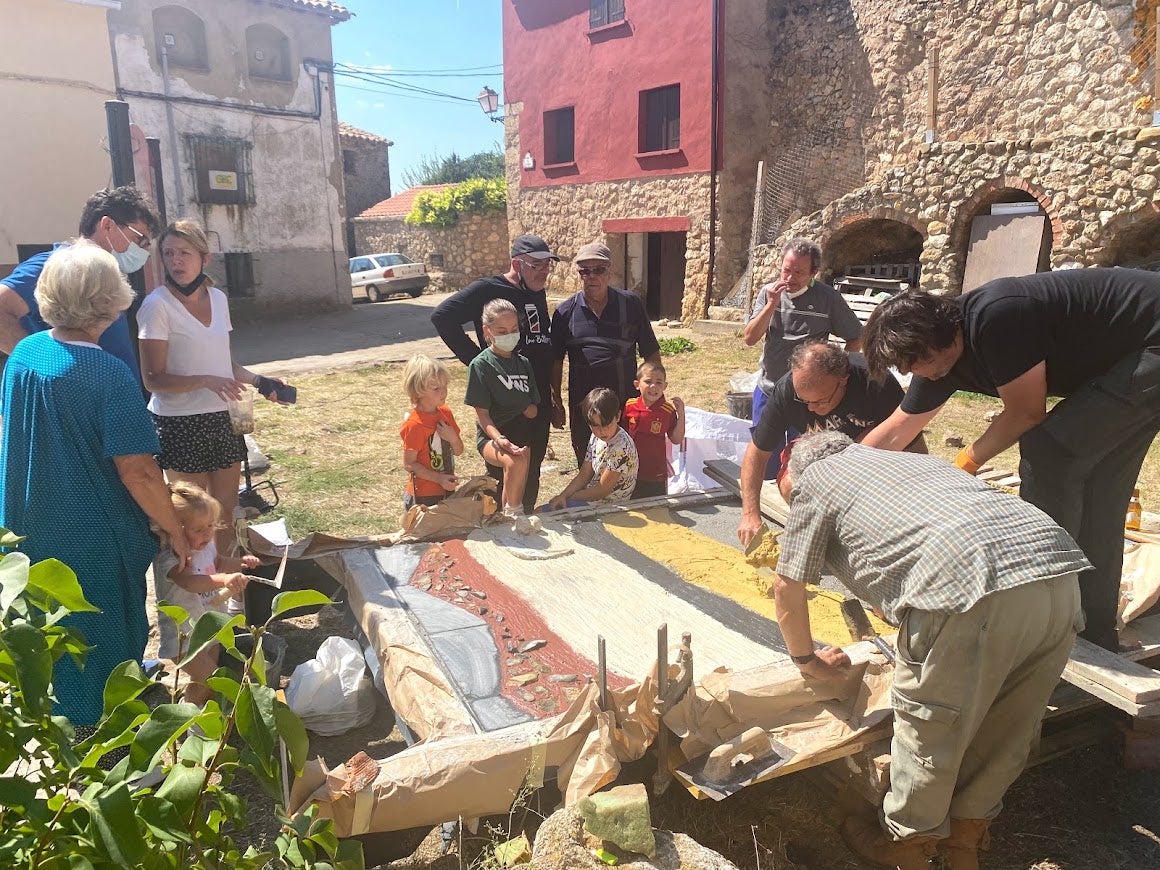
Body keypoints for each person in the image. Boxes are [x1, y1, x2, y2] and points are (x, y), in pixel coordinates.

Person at [768, 431, 1088, 870]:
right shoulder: (911, 463)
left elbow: (786, 586)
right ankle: (965, 836)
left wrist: (808, 660)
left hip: (972, 589)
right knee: (1010, 723)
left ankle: (908, 845)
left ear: (793, 474)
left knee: (932, 728)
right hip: (1058, 575)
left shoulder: (816, 479)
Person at [858, 271, 1160, 652]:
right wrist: (849, 472)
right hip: (1133, 358)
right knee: (1100, 494)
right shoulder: (937, 354)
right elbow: (899, 427)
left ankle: (1039, 608)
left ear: (950, 333)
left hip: (1151, 347)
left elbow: (1026, 414)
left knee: (1049, 451)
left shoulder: (997, 318)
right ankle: (1091, 633)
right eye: (907, 365)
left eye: (921, 361)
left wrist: (962, 466)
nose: (918, 371)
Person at [0, 242, 188, 727]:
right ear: (110, 299)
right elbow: (139, 471)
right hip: (91, 538)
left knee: (52, 641)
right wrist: (177, 529)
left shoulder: (24, 354)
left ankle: (62, 738)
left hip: (30, 528)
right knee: (103, 642)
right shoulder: (107, 372)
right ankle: (112, 758)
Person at [137, 220, 290, 555]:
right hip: (179, 423)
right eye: (168, 253)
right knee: (193, 517)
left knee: (226, 509)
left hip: (223, 418)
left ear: (204, 258)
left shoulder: (219, 299)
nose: (175, 261)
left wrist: (262, 383)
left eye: (184, 253)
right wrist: (207, 381)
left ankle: (230, 587)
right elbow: (153, 380)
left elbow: (224, 363)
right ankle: (198, 591)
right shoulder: (156, 305)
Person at [736, 341, 924, 544]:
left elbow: (912, 443)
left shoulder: (876, 382)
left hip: (869, 457)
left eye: (819, 401)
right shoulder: (786, 390)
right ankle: (827, 530)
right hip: (819, 451)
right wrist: (750, 515)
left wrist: (919, 498)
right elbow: (757, 452)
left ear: (843, 380)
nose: (810, 409)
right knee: (791, 485)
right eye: (804, 401)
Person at [431, 234, 559, 512]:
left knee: (532, 465)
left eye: (547, 265)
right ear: (517, 263)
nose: (543, 272)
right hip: (502, 405)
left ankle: (522, 519)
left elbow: (539, 340)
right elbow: (442, 317)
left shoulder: (535, 289)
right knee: (504, 469)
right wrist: (480, 363)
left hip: (535, 397)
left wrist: (552, 396)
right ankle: (501, 524)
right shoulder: (488, 288)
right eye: (536, 265)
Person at [0, 186, 160, 375]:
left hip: (108, 396)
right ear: (107, 225)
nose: (143, 251)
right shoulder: (58, 266)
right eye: (139, 240)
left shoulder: (108, 276)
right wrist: (44, 366)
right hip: (75, 401)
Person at [741, 238, 863, 478]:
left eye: (798, 272)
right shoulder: (768, 293)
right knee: (764, 458)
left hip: (809, 399)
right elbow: (749, 338)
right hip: (769, 389)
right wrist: (771, 304)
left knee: (803, 463)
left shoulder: (828, 299)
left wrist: (838, 375)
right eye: (786, 270)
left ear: (814, 273)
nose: (790, 278)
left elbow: (855, 336)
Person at [550, 242, 661, 465]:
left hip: (625, 406)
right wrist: (556, 402)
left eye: (598, 270)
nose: (592, 276)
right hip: (584, 410)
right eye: (585, 271)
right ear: (579, 274)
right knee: (588, 465)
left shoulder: (630, 305)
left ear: (609, 271)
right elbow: (556, 361)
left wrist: (653, 393)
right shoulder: (565, 312)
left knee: (626, 464)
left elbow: (651, 354)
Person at [154, 481, 257, 705]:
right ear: (175, 530)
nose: (208, 534)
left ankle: (192, 712)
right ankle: (188, 719)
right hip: (183, 635)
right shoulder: (171, 557)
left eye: (211, 526)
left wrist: (240, 563)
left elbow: (219, 562)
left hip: (208, 627)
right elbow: (190, 582)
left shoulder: (206, 546)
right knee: (211, 678)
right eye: (199, 529)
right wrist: (224, 580)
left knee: (206, 681)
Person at [464, 299, 541, 515]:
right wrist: (499, 439)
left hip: (522, 433)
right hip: (492, 435)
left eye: (514, 329)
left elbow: (533, 409)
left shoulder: (524, 363)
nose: (509, 335)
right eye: (502, 330)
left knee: (517, 483)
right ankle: (512, 517)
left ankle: (509, 516)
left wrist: (520, 403)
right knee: (514, 462)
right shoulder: (481, 365)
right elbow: (483, 416)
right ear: (487, 331)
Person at [545, 388, 638, 511]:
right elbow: (584, 475)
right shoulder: (596, 437)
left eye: (607, 424)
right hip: (591, 499)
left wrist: (571, 497)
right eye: (595, 426)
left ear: (618, 416)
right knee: (543, 512)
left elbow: (601, 490)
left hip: (609, 506)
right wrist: (563, 495)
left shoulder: (622, 447)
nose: (602, 431)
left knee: (543, 513)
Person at [400, 354, 464, 511]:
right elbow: (409, 464)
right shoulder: (414, 425)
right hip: (422, 495)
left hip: (447, 489)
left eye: (445, 386)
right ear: (417, 392)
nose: (444, 392)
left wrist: (453, 438)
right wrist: (439, 478)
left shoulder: (446, 413)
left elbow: (459, 451)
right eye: (436, 388)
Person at [623, 360, 685, 499]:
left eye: (659, 382)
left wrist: (681, 415)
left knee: (657, 510)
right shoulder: (629, 406)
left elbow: (676, 439)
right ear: (637, 385)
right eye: (648, 381)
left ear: (665, 386)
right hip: (630, 471)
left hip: (655, 474)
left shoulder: (667, 411)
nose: (653, 386)